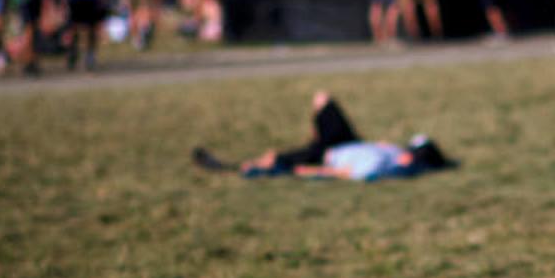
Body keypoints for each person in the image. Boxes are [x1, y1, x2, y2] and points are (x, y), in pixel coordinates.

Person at [193, 90, 455, 182]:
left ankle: (235, 167)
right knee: (323, 99)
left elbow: (341, 174)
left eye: (411, 150)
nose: (406, 149)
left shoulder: (376, 168)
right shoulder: (396, 154)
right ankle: (313, 137)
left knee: (274, 160)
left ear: (412, 160)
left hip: (326, 155)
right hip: (346, 142)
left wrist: (304, 171)